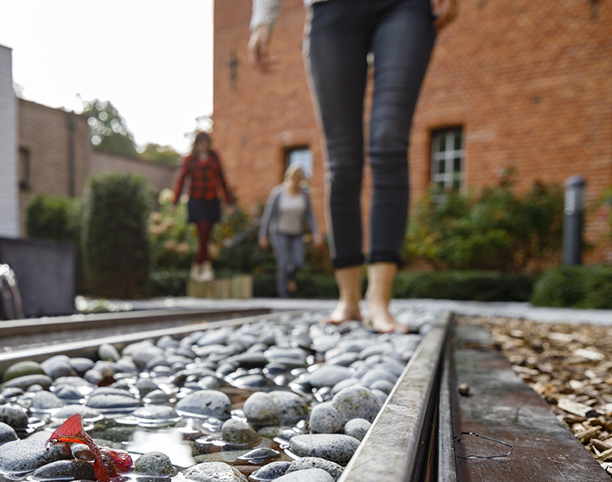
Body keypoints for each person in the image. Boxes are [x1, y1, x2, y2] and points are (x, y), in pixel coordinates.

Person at [248, 0, 458, 331]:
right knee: (342, 160)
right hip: (331, 9)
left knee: (389, 143)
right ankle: (348, 298)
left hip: (404, 8)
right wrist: (263, 19)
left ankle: (379, 300)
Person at [171, 131, 236, 283]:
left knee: (207, 236)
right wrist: (175, 201)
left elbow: (222, 180)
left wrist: (228, 201)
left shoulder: (214, 158)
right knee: (203, 229)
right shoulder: (190, 159)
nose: (203, 145)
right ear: (197, 144)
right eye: (201, 143)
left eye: (205, 142)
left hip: (212, 200)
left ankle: (197, 266)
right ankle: (205, 266)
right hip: (196, 200)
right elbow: (181, 181)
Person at [259, 163, 324, 297]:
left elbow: (310, 215)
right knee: (283, 263)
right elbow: (268, 216)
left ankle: (289, 279)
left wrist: (315, 233)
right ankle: (283, 294)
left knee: (298, 262)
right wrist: (263, 235)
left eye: (300, 180)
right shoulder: (278, 193)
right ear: (290, 178)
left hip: (297, 233)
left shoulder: (304, 194)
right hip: (280, 233)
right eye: (295, 179)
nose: (297, 183)